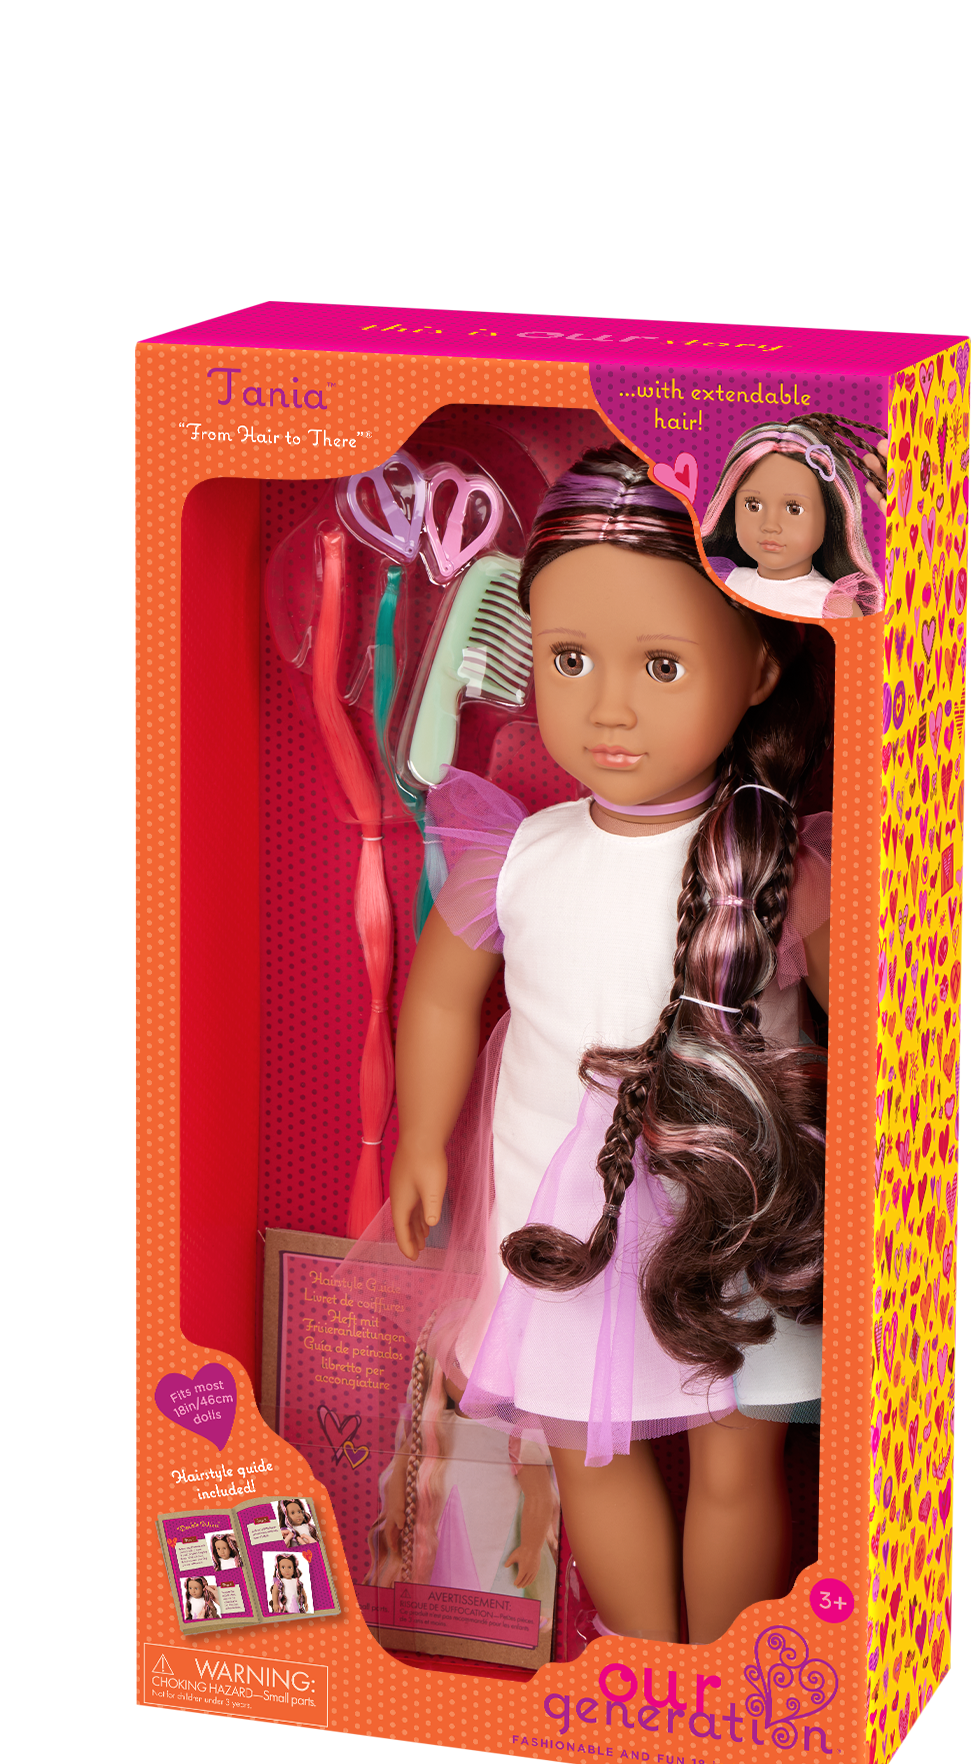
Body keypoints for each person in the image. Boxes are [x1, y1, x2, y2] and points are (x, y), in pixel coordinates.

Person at [381, 445, 831, 1646]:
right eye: (569, 660)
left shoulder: (785, 868)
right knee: (589, 1449)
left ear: (761, 668)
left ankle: (724, 1684)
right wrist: (421, 1140)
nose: (609, 708)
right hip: (564, 1217)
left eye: (662, 665)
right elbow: (441, 1002)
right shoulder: (517, 855)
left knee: (740, 1456)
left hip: (742, 1210)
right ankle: (642, 1675)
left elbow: (889, 1041)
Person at [698, 415, 885, 619]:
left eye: (794, 509)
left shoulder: (834, 606)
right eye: (753, 505)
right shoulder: (722, 580)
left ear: (831, 517)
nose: (770, 525)